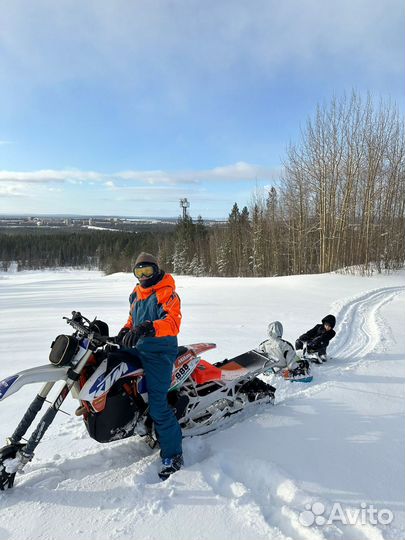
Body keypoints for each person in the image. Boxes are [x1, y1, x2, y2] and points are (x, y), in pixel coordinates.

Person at [116, 252, 183, 480]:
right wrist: (126, 330)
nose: (144, 277)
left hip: (160, 350)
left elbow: (173, 322)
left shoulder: (167, 292)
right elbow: (131, 320)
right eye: (139, 272)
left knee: (158, 406)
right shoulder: (135, 294)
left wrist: (148, 327)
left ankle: (173, 455)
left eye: (148, 271)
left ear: (157, 271)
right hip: (138, 345)